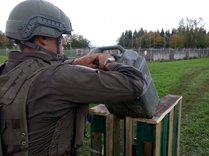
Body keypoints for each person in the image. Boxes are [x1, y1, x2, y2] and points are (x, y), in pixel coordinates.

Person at [0, 0, 144, 155]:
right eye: (60, 36)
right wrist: (108, 61)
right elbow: (134, 83)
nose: (63, 42)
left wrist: (74, 62)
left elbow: (40, 69)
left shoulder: (7, 70)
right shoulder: (59, 78)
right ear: (42, 38)